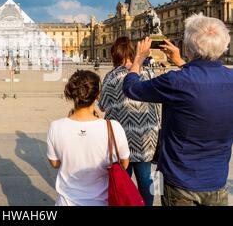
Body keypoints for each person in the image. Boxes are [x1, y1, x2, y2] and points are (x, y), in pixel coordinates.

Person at [123, 13, 233, 206]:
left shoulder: (176, 81)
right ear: (224, 45)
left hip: (179, 181)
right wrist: (181, 61)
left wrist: (138, 60)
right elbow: (201, 80)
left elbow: (131, 88)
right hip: (216, 181)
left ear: (188, 47)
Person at [47, 70, 130, 206]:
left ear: (71, 94)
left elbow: (55, 163)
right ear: (97, 95)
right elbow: (124, 164)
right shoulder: (113, 127)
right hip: (101, 201)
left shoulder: (56, 127)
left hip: (66, 201)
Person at [98, 37, 161, 206]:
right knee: (146, 179)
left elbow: (103, 106)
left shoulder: (111, 77)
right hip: (146, 136)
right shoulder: (148, 73)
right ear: (133, 53)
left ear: (115, 55)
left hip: (120, 137)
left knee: (122, 182)